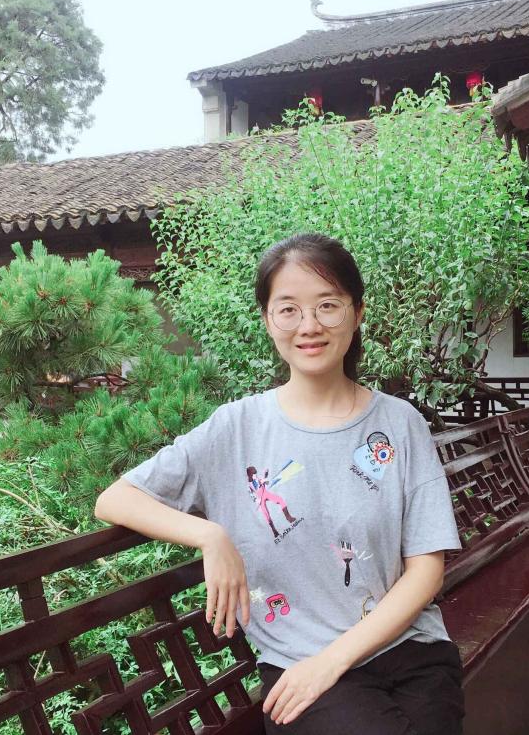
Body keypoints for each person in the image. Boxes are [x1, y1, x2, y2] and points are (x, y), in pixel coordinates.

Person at [94, 232, 465, 734]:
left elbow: (426, 570)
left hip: (409, 650)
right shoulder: (235, 429)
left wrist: (332, 662)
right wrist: (209, 535)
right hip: (298, 663)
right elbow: (115, 499)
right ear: (268, 320)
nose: (309, 326)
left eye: (328, 306)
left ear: (357, 313)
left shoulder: (400, 424)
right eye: (288, 309)